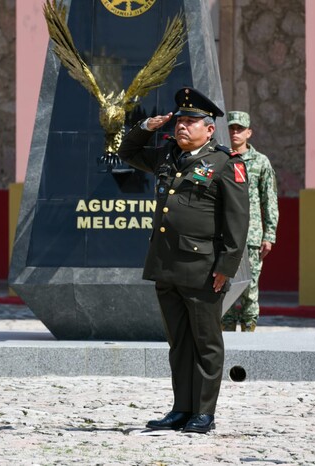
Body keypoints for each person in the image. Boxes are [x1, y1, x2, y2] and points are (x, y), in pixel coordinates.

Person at [117, 87, 249, 434]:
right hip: (166, 265)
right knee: (179, 344)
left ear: (209, 129)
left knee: (205, 343)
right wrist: (147, 125)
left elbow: (238, 222)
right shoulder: (167, 157)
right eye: (179, 121)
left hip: (204, 270)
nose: (182, 127)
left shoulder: (225, 164)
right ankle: (181, 408)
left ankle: (203, 412)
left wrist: (226, 268)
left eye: (191, 122)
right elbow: (126, 151)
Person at [221, 111, 279, 332]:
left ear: (249, 132)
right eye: (231, 128)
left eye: (239, 129)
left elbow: (269, 200)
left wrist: (269, 235)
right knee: (223, 288)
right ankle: (225, 339)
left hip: (251, 237)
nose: (235, 132)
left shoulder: (260, 162)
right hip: (224, 236)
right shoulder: (220, 158)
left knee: (250, 291)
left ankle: (249, 338)